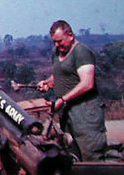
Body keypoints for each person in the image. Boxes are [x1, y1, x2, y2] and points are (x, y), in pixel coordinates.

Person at [37, 20, 107, 161]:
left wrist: (62, 100)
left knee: (91, 155)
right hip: (66, 114)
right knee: (71, 155)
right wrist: (48, 83)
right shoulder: (57, 52)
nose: (57, 45)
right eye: (54, 42)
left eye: (60, 41)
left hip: (85, 114)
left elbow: (87, 83)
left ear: (70, 35)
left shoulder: (81, 52)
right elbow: (61, 75)